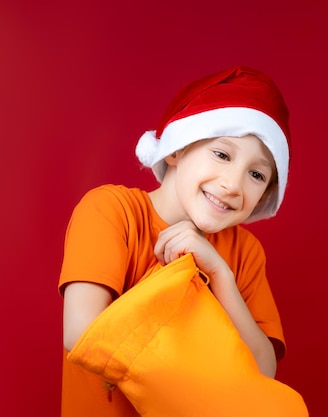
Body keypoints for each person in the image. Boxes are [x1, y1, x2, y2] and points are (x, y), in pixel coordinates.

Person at [58, 65, 292, 417]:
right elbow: (81, 334)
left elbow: (262, 372)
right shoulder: (110, 211)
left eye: (256, 174)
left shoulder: (245, 254)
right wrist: (217, 377)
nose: (233, 184)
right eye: (222, 154)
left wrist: (220, 274)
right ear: (176, 149)